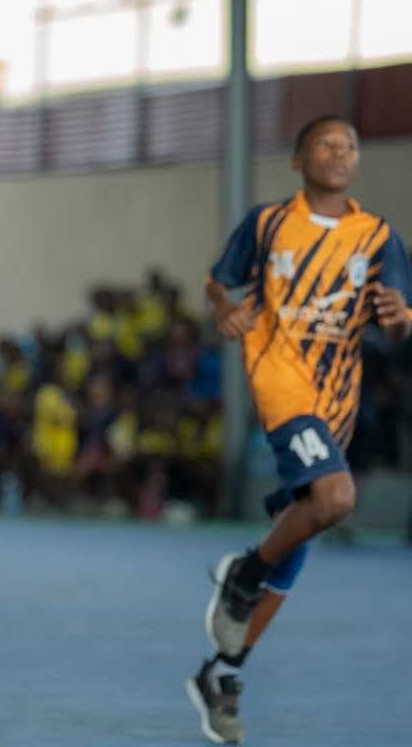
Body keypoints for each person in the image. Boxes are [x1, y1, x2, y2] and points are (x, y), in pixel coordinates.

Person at [191, 115, 411, 745]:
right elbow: (217, 281)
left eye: (351, 147)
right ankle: (241, 575)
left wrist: (398, 318)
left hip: (337, 399)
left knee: (305, 527)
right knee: (337, 499)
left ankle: (224, 671)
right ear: (297, 158)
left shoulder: (378, 237)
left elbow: (396, 320)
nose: (341, 154)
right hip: (282, 383)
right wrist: (224, 307)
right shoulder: (266, 224)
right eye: (327, 144)